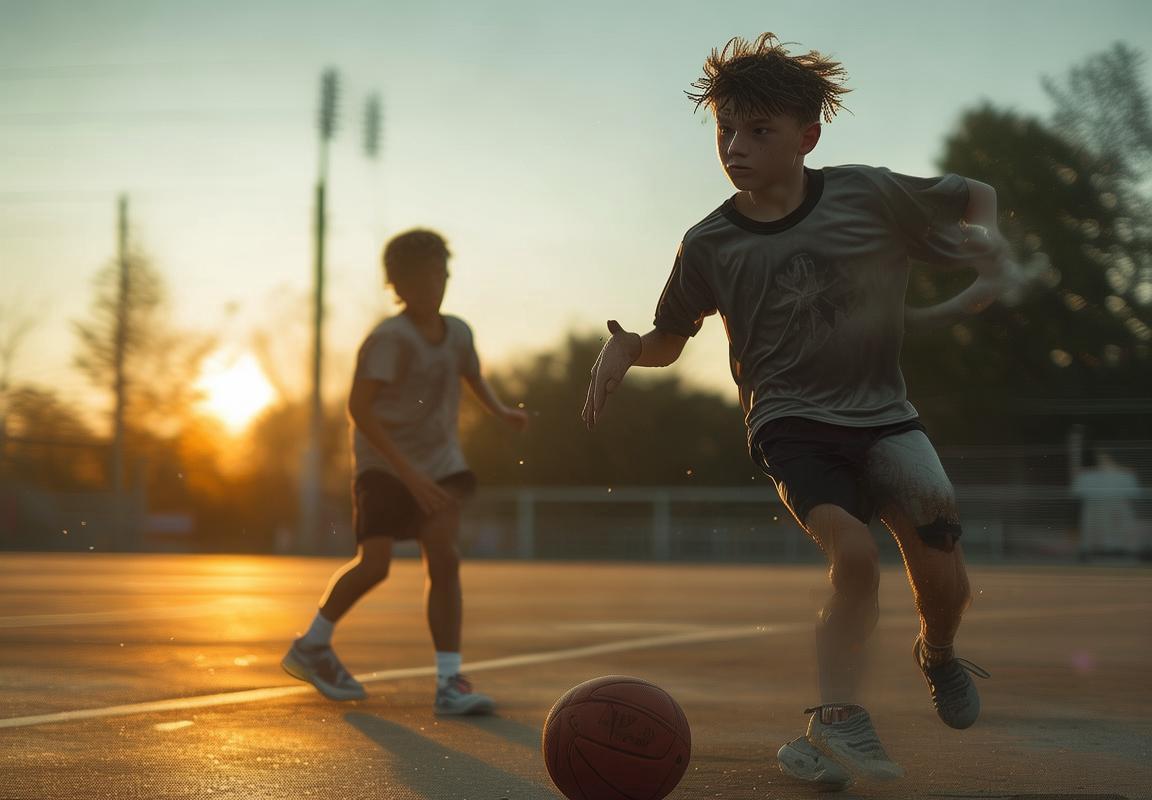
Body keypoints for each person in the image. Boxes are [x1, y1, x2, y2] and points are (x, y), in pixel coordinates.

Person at [581, 33, 1036, 788]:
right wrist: (630, 348)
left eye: (759, 131)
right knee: (854, 557)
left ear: (807, 136)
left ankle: (939, 654)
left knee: (943, 567)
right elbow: (672, 336)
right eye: (725, 129)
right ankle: (836, 721)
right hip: (789, 423)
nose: (736, 145)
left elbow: (971, 193)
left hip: (886, 415)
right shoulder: (709, 243)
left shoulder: (869, 194)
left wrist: (985, 244)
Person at [283, 228, 528, 714]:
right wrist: (409, 475)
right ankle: (311, 646)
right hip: (385, 464)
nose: (433, 284)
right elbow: (359, 408)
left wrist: (501, 411)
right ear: (399, 284)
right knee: (375, 565)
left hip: (442, 465)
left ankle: (449, 683)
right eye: (420, 277)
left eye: (439, 273)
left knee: (444, 557)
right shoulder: (389, 339)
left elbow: (472, 374)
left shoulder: (458, 331)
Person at [1068, 425, 1143, 560]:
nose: (1101, 459)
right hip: (1100, 513)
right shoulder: (1089, 476)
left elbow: (1132, 496)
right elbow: (1078, 492)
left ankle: (1115, 550)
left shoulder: (1125, 475)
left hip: (1114, 513)